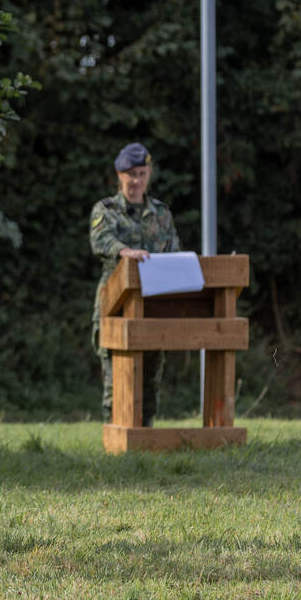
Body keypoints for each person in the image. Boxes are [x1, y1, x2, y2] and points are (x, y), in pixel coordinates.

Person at [89, 142, 181, 426]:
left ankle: (146, 437)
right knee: (116, 380)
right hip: (116, 304)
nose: (137, 180)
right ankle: (115, 440)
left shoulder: (162, 213)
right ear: (119, 175)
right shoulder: (106, 209)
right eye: (131, 174)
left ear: (149, 173)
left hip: (153, 304)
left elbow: (174, 251)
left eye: (142, 173)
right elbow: (101, 240)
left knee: (150, 377)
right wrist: (123, 251)